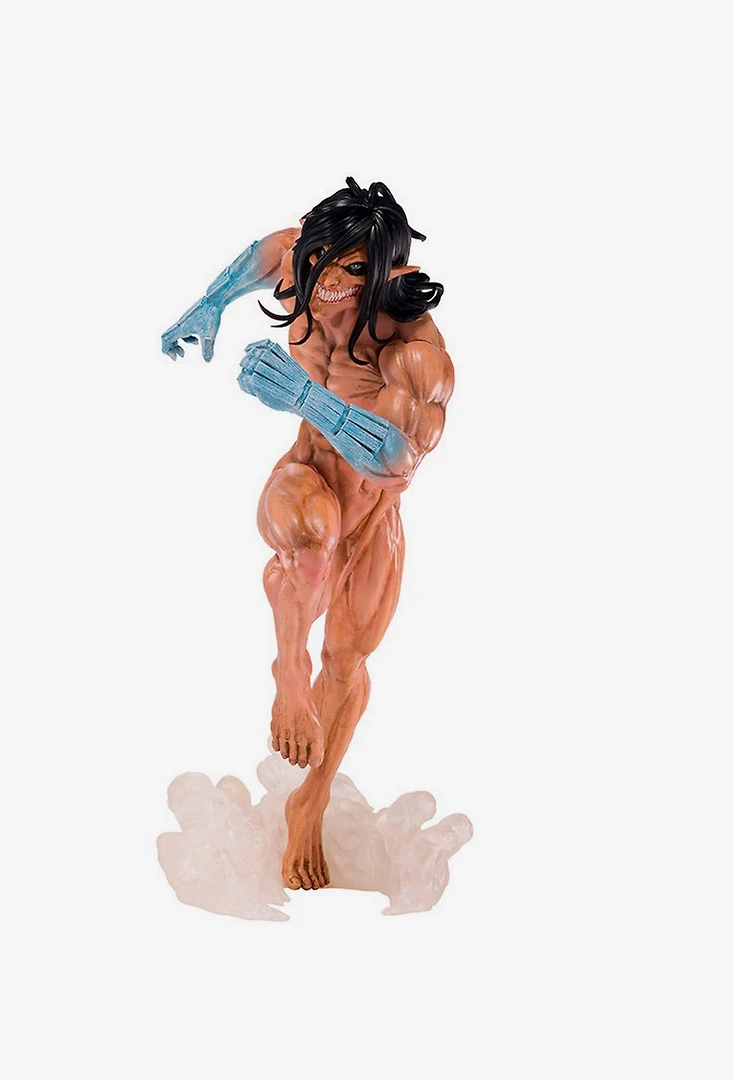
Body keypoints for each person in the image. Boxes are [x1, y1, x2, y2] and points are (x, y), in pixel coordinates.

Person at [162, 178, 454, 891]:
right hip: (306, 480)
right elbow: (267, 254)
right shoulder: (310, 259)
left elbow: (398, 462)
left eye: (346, 272)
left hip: (373, 512)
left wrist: (302, 395)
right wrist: (210, 303)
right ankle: (288, 673)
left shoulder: (414, 353)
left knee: (349, 662)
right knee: (309, 535)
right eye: (316, 262)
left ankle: (310, 803)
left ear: (390, 274)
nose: (319, 285)